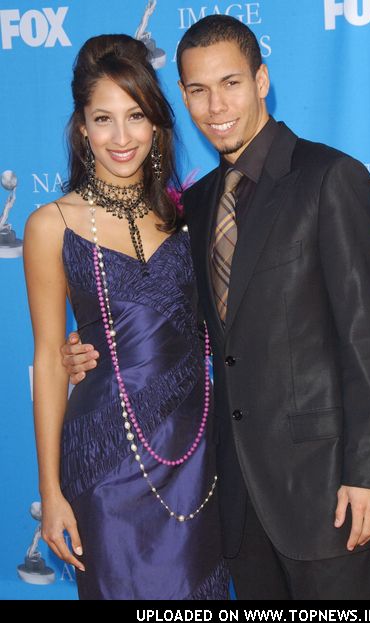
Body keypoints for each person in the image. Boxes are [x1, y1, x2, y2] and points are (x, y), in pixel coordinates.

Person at [62, 17, 370, 600]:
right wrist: (92, 348)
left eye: (231, 83)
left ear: (262, 79)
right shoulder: (190, 207)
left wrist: (368, 475)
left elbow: (369, 337)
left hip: (330, 495)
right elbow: (173, 321)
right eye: (196, 90)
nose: (215, 105)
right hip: (232, 504)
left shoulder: (329, 178)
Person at [23, 33, 228, 601]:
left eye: (135, 116)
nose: (121, 137)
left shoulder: (196, 214)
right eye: (103, 118)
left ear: (157, 123)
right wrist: (51, 490)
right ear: (81, 127)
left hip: (194, 457)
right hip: (105, 461)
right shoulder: (50, 225)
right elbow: (46, 361)